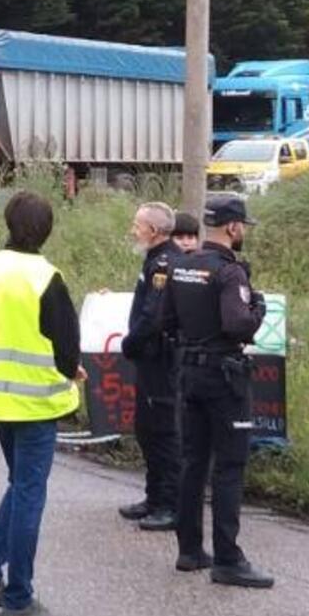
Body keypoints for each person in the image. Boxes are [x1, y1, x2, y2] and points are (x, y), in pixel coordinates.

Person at [0, 191, 84, 616]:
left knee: (19, 486)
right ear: (47, 229)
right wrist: (73, 370)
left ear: (9, 223)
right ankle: (18, 597)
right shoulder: (45, 277)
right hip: (36, 401)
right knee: (30, 494)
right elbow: (67, 347)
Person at [160, 193, 275, 589]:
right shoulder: (230, 273)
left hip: (188, 373)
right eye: (242, 225)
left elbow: (166, 320)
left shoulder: (181, 267)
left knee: (193, 461)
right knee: (229, 466)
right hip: (225, 379)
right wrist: (258, 308)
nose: (243, 231)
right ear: (232, 227)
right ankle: (228, 558)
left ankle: (189, 549)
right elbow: (238, 325)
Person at [117, 202, 181, 532]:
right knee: (146, 428)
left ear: (153, 231)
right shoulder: (154, 259)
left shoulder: (165, 264)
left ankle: (170, 504)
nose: (133, 229)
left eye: (137, 225)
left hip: (162, 360)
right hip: (150, 360)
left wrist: (129, 343)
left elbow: (153, 316)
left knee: (163, 432)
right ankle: (153, 497)